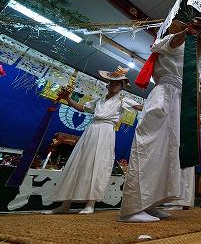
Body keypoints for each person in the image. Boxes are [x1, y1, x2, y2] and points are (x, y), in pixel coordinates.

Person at [119, 18, 201, 223]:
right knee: (150, 147)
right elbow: (173, 43)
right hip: (164, 95)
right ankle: (132, 208)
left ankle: (151, 204)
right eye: (188, 29)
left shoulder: (191, 51)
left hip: (180, 101)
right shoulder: (169, 39)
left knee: (168, 152)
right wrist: (187, 31)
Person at [46, 67, 142, 214]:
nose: (113, 85)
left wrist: (160, 106)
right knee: (78, 162)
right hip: (91, 131)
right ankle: (65, 204)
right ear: (107, 84)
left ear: (122, 86)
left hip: (106, 133)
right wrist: (68, 99)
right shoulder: (98, 101)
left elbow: (141, 107)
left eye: (117, 83)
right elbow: (82, 108)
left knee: (98, 165)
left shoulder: (124, 100)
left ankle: (90, 204)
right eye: (111, 82)